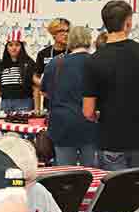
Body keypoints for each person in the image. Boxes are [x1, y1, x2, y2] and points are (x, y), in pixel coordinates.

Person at [84, 0, 139, 172]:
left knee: (115, 191)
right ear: (128, 23)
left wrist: (100, 115)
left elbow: (87, 111)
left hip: (110, 138)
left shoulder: (93, 61)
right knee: (136, 190)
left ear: (105, 24)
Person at [42, 25, 98, 167]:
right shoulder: (97, 62)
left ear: (69, 41)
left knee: (65, 174)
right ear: (90, 41)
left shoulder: (55, 63)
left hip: (62, 125)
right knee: (91, 173)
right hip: (90, 124)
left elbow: (45, 92)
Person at [33, 18, 70, 111]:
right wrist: (44, 84)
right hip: (50, 102)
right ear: (53, 33)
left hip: (70, 102)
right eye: (61, 31)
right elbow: (35, 76)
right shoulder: (43, 53)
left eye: (67, 31)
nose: (66, 34)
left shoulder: (73, 51)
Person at [0, 29, 35, 112]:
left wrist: (37, 108)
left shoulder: (29, 62)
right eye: (10, 45)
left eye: (17, 45)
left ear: (22, 47)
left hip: (24, 102)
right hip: (5, 102)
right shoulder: (2, 63)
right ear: (6, 47)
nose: (14, 48)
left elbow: (35, 87)